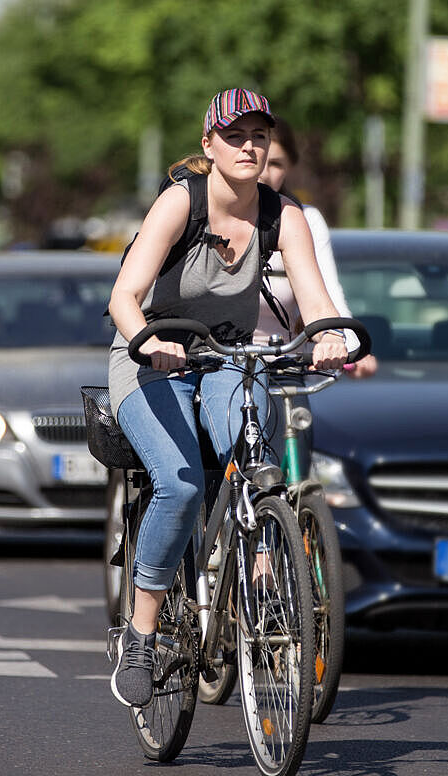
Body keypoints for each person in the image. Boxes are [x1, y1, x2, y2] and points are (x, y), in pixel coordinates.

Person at [105, 88, 349, 708]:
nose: (249, 146)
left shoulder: (283, 216)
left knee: (252, 460)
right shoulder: (180, 202)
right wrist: (148, 341)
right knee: (180, 483)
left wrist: (328, 336)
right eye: (235, 136)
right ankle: (141, 634)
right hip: (149, 357)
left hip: (226, 358)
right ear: (208, 144)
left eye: (259, 136)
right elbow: (123, 297)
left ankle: (253, 574)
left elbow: (315, 300)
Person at [254, 118, 378, 378]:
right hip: (215, 366)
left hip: (282, 369)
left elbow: (327, 295)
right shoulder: (205, 212)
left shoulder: (303, 219)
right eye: (257, 159)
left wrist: (348, 346)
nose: (263, 173)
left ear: (290, 167)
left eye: (275, 164)